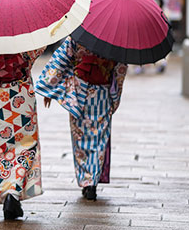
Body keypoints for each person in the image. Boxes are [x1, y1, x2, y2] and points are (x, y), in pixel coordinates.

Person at [35, 37, 127, 201]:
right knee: (99, 138)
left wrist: (50, 88)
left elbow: (60, 60)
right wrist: (116, 96)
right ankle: (92, 182)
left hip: (79, 90)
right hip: (103, 92)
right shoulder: (114, 39)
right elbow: (120, 69)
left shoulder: (79, 35)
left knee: (80, 136)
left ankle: (86, 180)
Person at [0, 47, 45, 220]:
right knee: (26, 145)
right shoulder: (23, 37)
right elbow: (36, 51)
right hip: (21, 92)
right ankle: (14, 191)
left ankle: (7, 192)